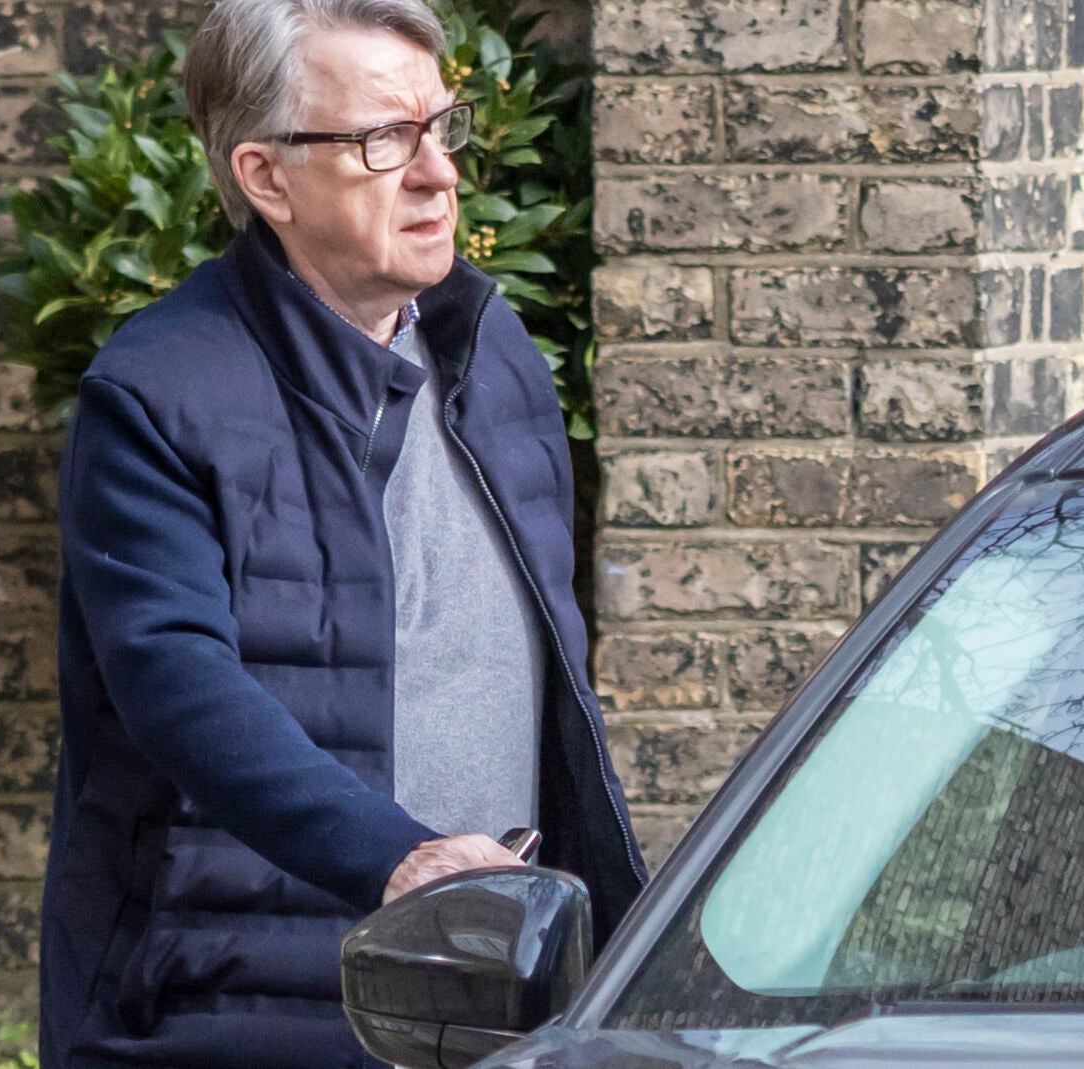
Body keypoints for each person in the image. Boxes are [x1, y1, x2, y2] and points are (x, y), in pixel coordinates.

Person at [37, 1, 647, 1064]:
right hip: (239, 1017)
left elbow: (548, 689)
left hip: (492, 1007)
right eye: (383, 141)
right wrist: (397, 859)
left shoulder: (493, 350)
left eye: (441, 127)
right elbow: (177, 685)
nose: (439, 175)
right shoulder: (157, 393)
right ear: (266, 178)